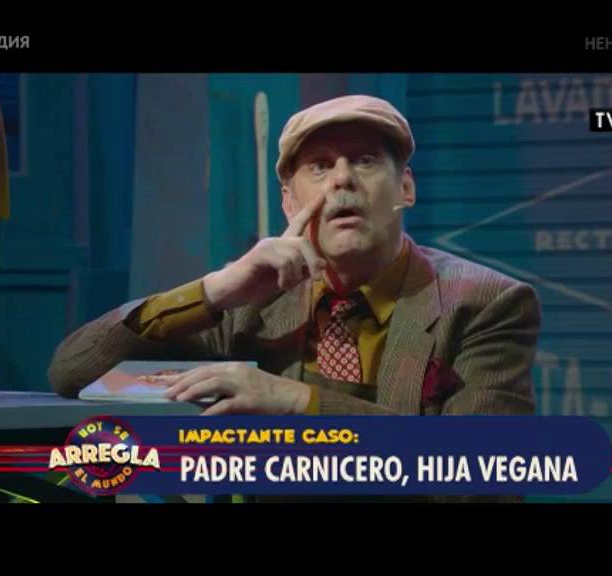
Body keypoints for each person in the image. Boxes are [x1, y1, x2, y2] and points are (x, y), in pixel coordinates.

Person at [49, 94, 540, 422]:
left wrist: (297, 402)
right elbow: (73, 370)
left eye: (365, 160)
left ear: (405, 188)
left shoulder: (484, 302)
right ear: (289, 201)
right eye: (320, 166)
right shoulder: (252, 303)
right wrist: (216, 289)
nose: (342, 179)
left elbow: (485, 474)